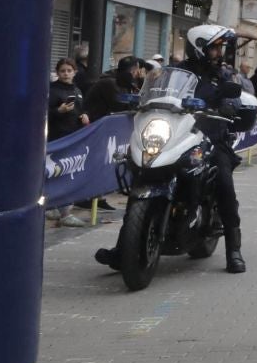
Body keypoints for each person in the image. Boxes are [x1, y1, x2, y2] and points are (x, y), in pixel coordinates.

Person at [96, 24, 248, 275]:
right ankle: (124, 248)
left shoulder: (222, 76)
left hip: (209, 135)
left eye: (220, 48)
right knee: (142, 177)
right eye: (214, 48)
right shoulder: (176, 71)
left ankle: (234, 249)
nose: (219, 53)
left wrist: (231, 104)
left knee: (223, 180)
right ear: (199, 48)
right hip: (176, 133)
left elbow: (232, 99)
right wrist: (140, 98)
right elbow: (157, 92)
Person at [83, 56, 145, 121]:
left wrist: (141, 80)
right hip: (96, 122)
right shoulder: (110, 82)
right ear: (133, 71)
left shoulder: (124, 81)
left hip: (106, 121)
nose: (139, 73)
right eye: (138, 70)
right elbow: (120, 107)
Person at [48, 57, 90, 138]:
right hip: (58, 137)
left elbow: (81, 109)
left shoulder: (77, 90)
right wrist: (59, 111)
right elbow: (42, 115)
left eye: (69, 71)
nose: (66, 74)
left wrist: (85, 115)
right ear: (57, 73)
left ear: (75, 72)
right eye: (62, 71)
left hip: (75, 136)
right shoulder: (51, 90)